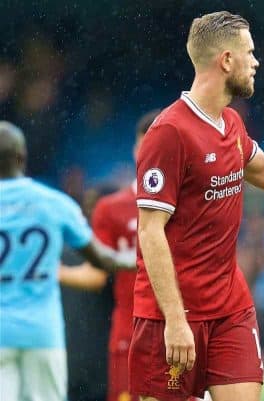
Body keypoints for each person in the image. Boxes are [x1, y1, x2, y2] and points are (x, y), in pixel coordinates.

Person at [131, 11, 264, 401]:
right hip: (171, 315)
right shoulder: (169, 133)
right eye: (249, 53)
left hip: (230, 307)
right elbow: (150, 230)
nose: (256, 62)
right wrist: (176, 320)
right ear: (226, 60)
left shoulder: (230, 124)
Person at [0, 121, 135, 401]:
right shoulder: (53, 203)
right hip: (42, 332)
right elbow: (103, 258)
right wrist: (139, 257)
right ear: (23, 157)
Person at [58, 109, 160, 401]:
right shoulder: (112, 208)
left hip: (186, 333)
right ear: (135, 149)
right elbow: (95, 274)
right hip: (131, 334)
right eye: (146, 145)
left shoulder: (194, 204)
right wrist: (54, 270)